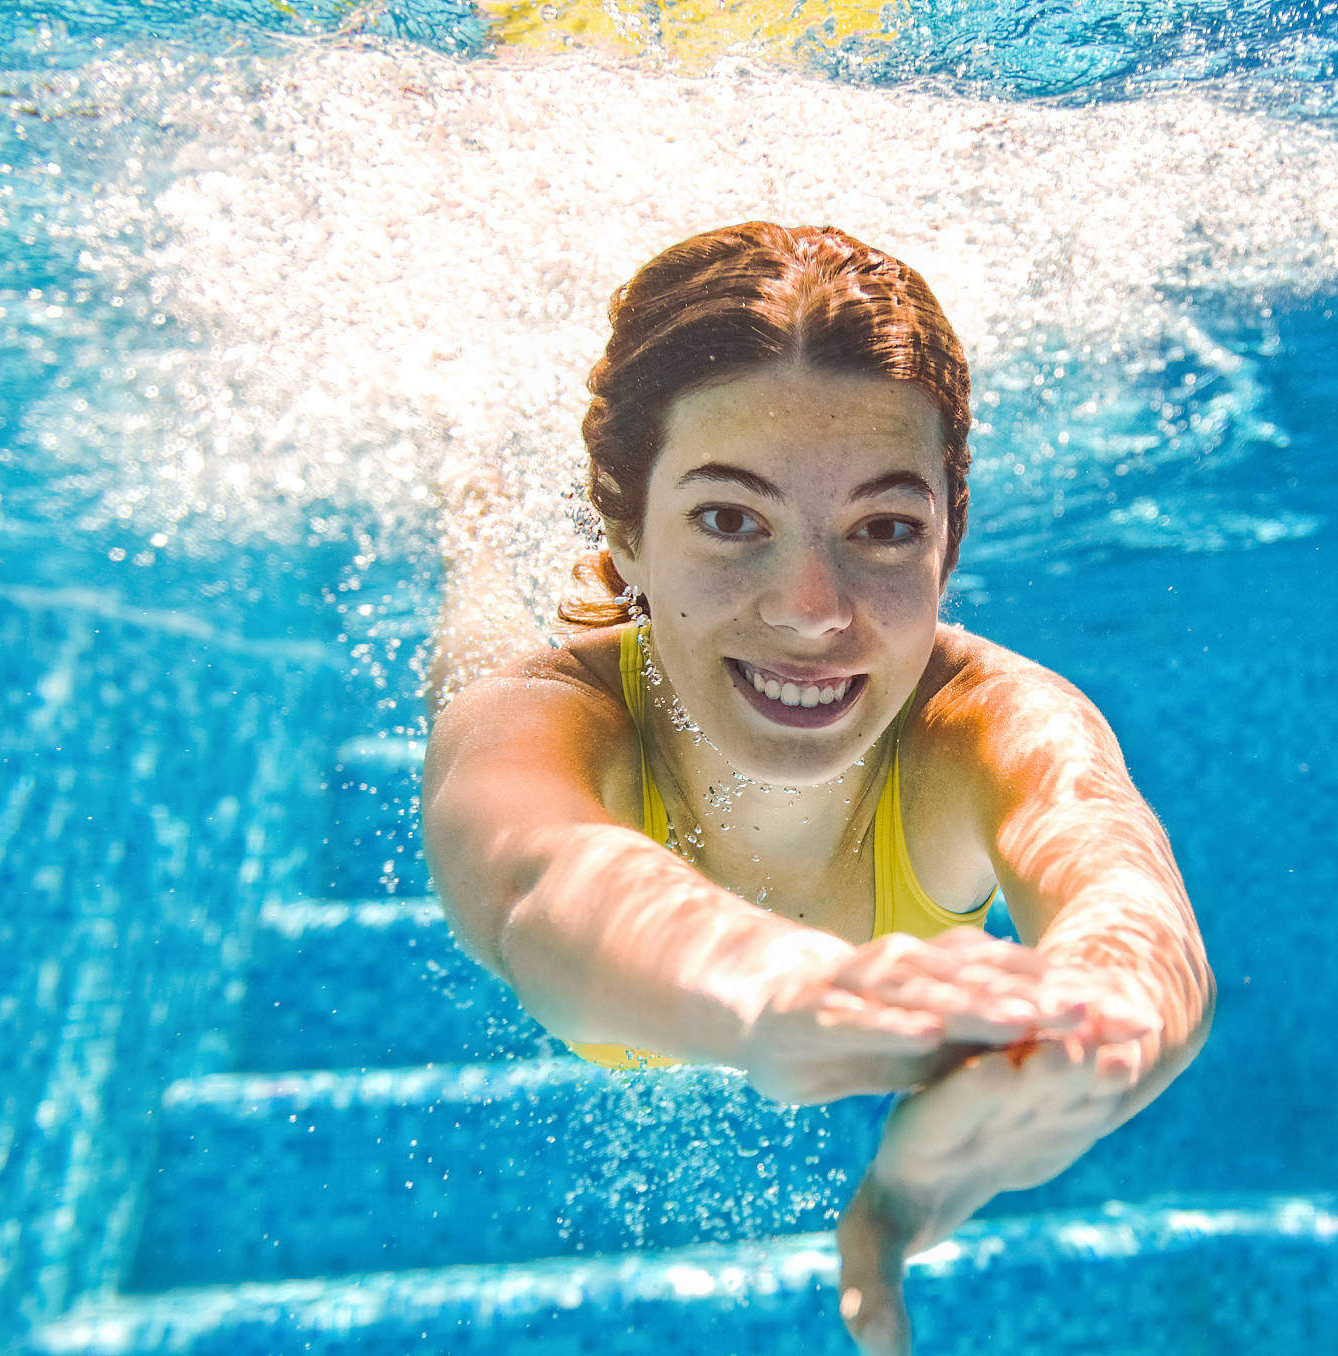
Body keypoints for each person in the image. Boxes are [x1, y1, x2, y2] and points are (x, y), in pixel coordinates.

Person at [421, 222, 1214, 1355]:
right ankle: (474, 518)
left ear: (949, 543)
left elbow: (1115, 882)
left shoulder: (991, 721)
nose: (810, 610)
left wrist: (1100, 1032)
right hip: (585, 711)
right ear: (624, 533)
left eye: (882, 529)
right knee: (476, 646)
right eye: (728, 519)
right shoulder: (541, 718)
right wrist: (774, 989)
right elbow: (534, 884)